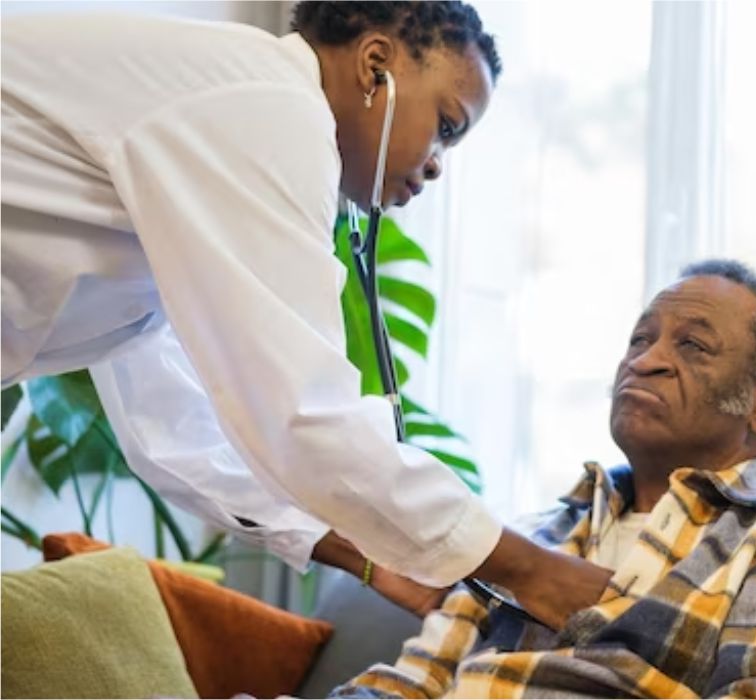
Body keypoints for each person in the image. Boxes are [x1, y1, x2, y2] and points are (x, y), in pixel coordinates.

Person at [0, 1, 609, 628]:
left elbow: (170, 422)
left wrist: (353, 547)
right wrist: (537, 570)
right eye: (446, 126)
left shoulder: (212, 135)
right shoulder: (267, 107)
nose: (435, 165)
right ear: (376, 67)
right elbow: (306, 415)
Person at [331, 260, 756, 699]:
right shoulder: (535, 536)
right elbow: (409, 685)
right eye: (639, 339)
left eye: (693, 345)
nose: (646, 360)